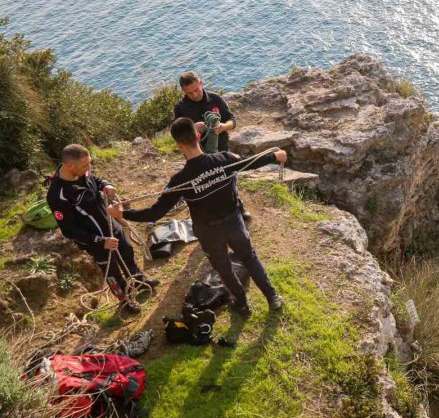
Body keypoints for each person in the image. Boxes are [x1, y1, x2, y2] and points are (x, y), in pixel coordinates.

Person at [108, 117, 287, 317]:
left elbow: (155, 213)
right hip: (234, 222)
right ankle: (273, 298)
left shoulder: (179, 180)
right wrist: (275, 156)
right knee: (249, 258)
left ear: (178, 145)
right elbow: (250, 163)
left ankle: (242, 304)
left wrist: (121, 214)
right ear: (199, 136)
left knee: (223, 268)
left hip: (208, 231)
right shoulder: (224, 159)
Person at [46, 144, 157, 314]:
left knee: (127, 252)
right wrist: (100, 241)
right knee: (111, 270)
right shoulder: (58, 195)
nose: (88, 168)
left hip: (112, 226)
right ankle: (125, 299)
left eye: (89, 163)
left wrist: (106, 184)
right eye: (85, 165)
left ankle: (138, 281)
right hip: (96, 241)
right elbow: (69, 230)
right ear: (69, 166)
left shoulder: (81, 171)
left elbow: (95, 180)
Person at [173, 70, 251, 220]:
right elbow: (177, 133)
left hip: (221, 148)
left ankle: (238, 208)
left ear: (201, 83)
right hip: (197, 154)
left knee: (229, 178)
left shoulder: (216, 99)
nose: (195, 94)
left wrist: (223, 127)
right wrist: (193, 128)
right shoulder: (180, 108)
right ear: (183, 91)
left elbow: (232, 120)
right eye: (190, 93)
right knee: (204, 185)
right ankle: (209, 214)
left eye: (196, 89)